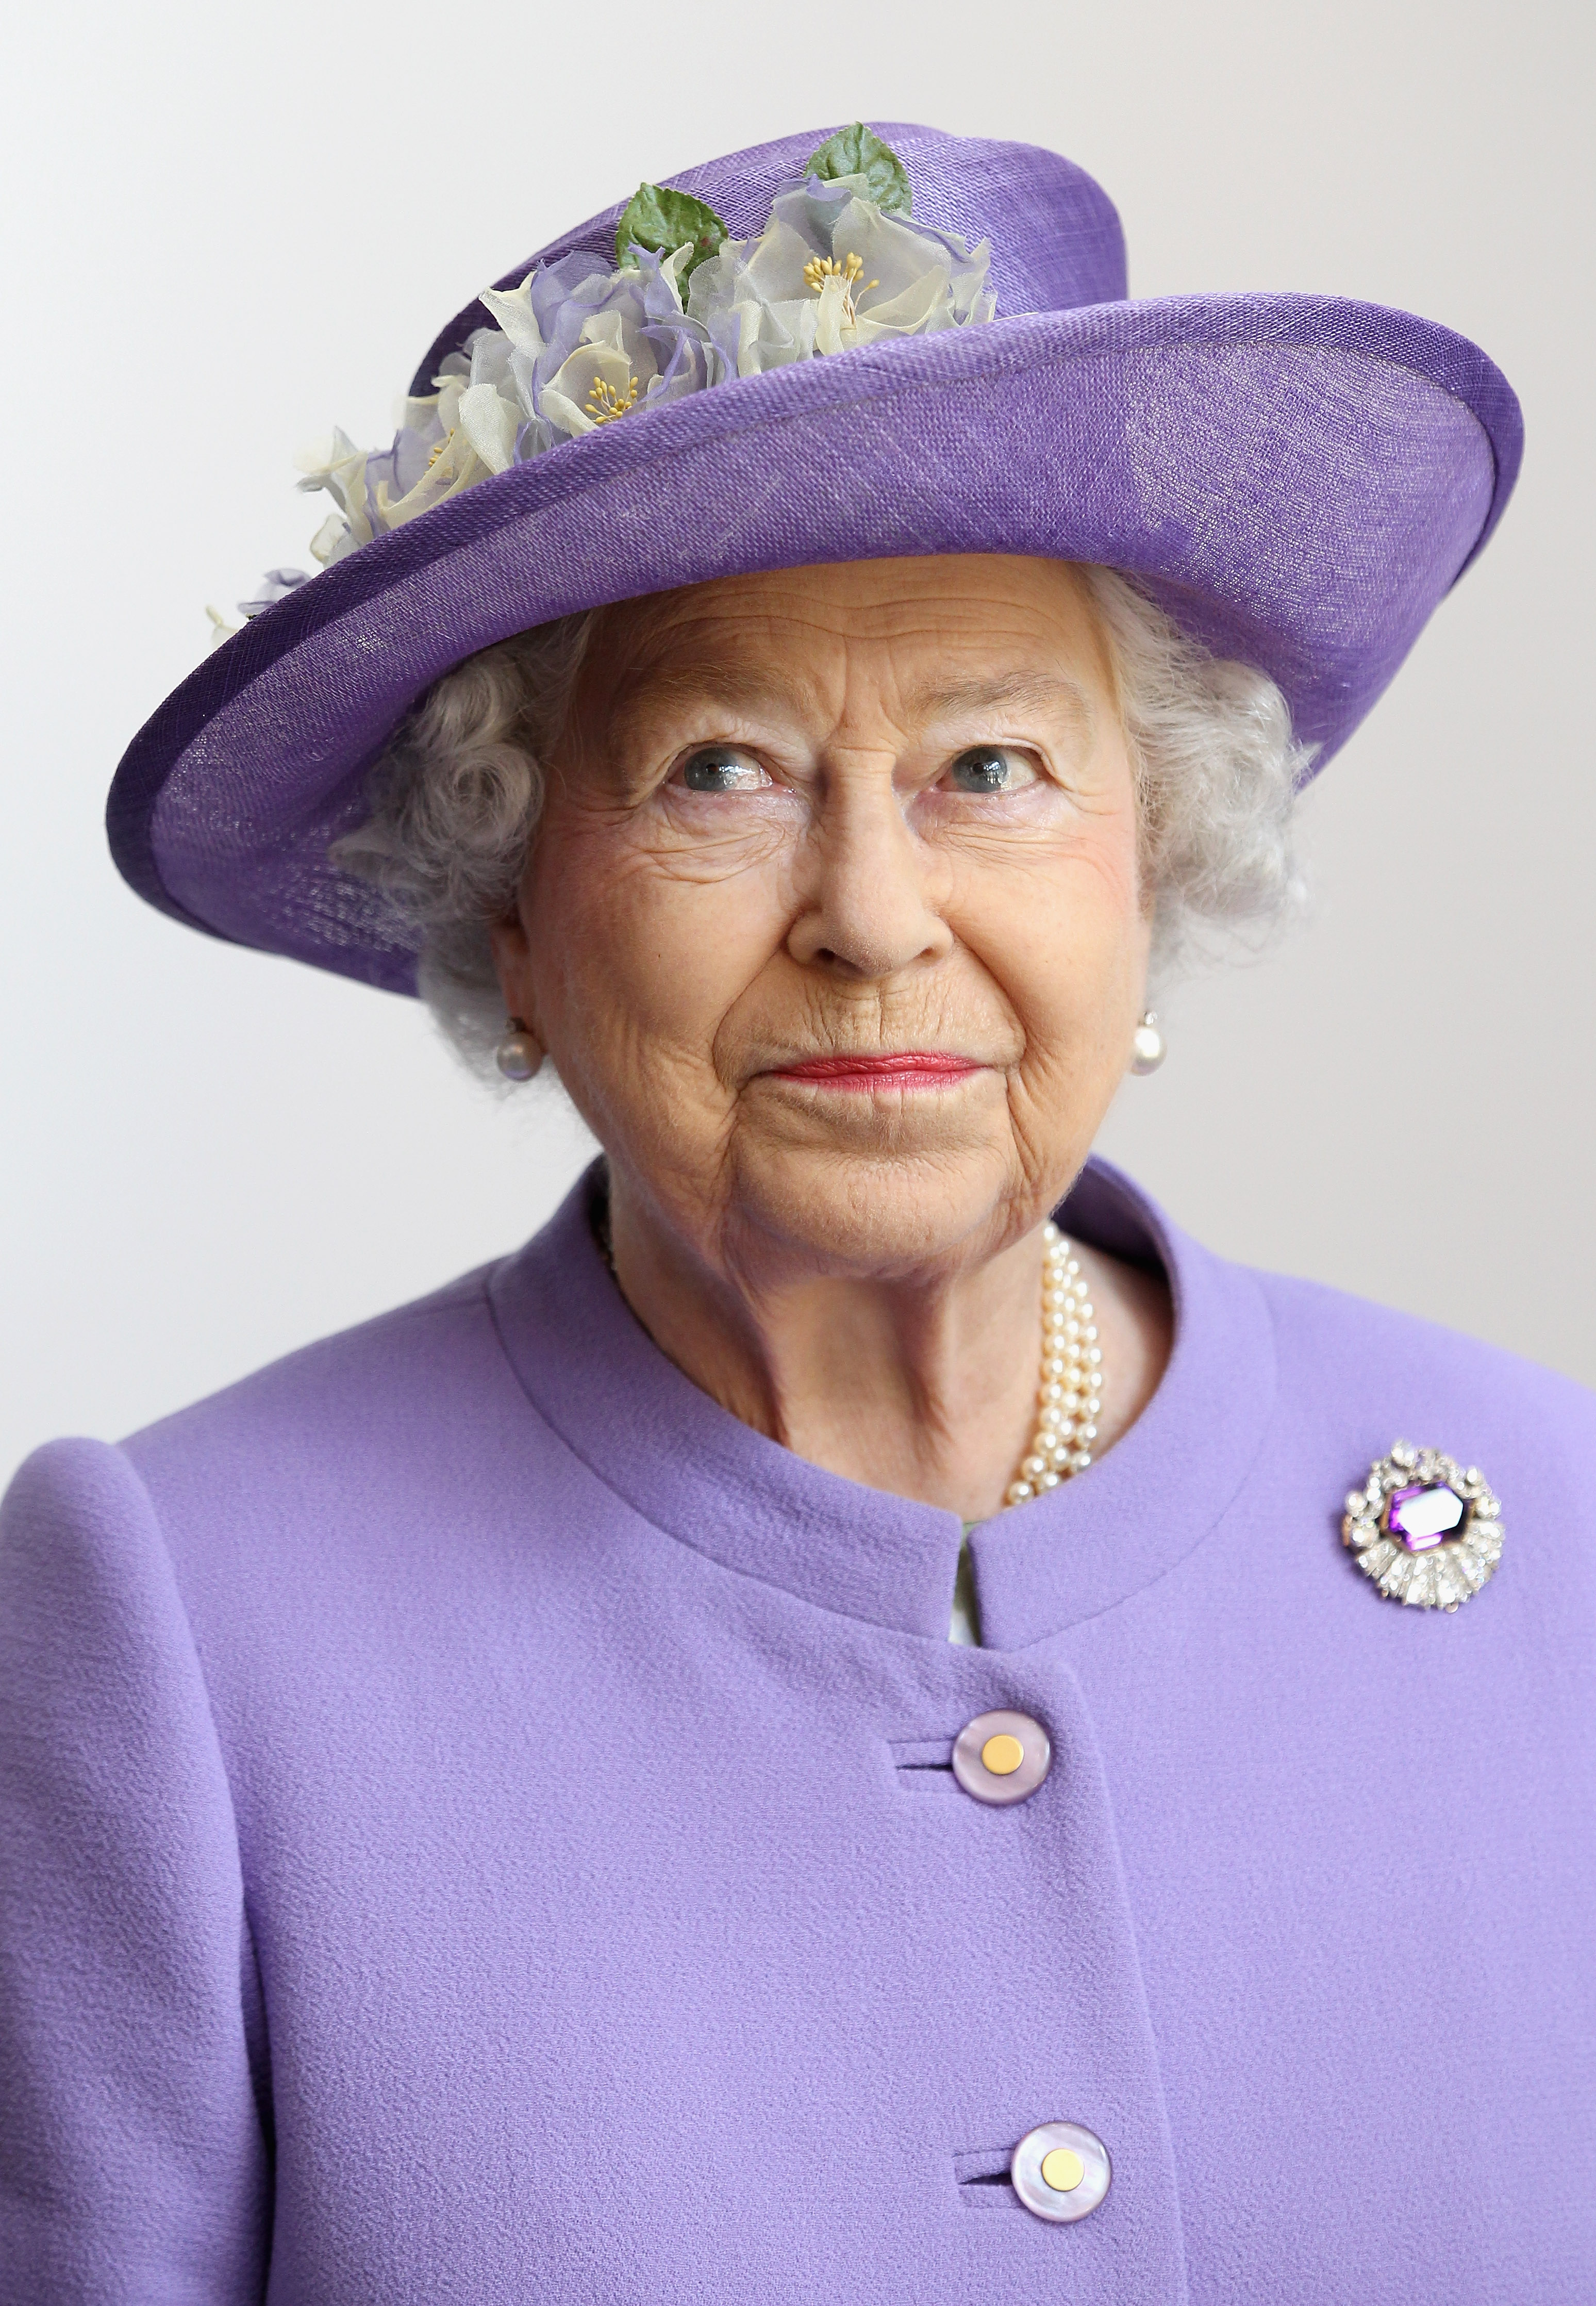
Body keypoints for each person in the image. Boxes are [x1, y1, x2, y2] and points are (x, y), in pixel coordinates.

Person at [3, 121, 1591, 2304]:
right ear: (519, 922)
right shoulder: (176, 1621)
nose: (870, 913)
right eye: (719, 770)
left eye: (994, 767)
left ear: (1157, 853)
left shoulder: (1561, 1526)